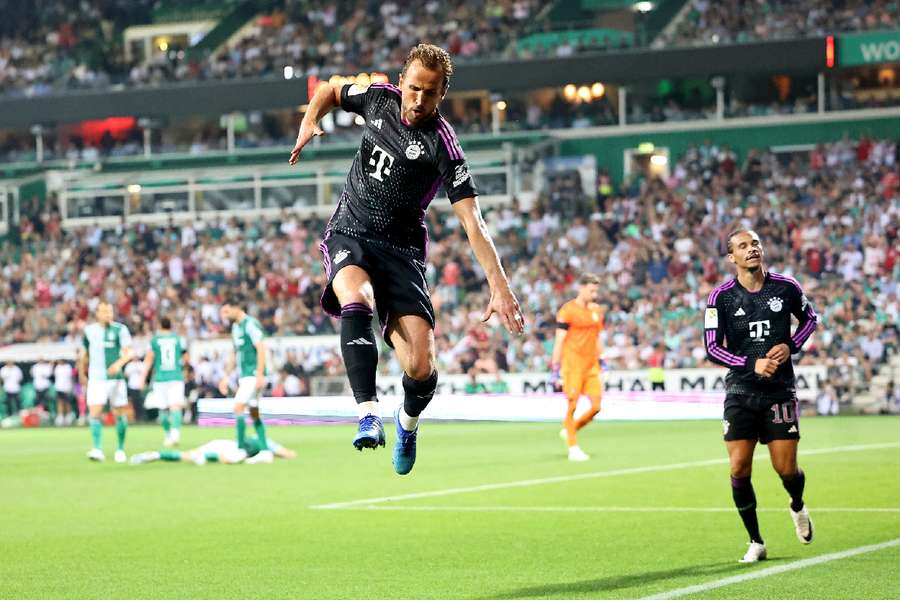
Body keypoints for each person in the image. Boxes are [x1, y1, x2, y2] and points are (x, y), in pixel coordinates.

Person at [289, 43, 524, 475]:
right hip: (352, 231)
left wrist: (500, 285)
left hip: (401, 252)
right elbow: (328, 90)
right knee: (354, 298)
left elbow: (474, 222)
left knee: (420, 366)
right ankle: (367, 414)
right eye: (414, 88)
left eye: (430, 93)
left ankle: (407, 423)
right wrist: (309, 122)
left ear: (441, 96)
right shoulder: (378, 98)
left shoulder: (444, 146)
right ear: (401, 83)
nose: (418, 100)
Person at [704, 229, 818, 563]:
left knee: (786, 470)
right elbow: (712, 347)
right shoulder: (720, 298)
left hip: (779, 392)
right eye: (743, 246)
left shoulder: (786, 286)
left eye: (755, 243)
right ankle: (755, 540)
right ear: (731, 257)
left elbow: (811, 318)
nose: (751, 249)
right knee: (739, 468)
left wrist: (792, 344)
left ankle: (797, 504)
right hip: (740, 391)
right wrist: (751, 363)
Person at [551, 274, 604, 461]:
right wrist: (555, 368)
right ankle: (573, 448)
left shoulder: (597, 311)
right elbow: (560, 339)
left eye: (596, 290)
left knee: (596, 406)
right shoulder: (567, 311)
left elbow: (597, 338)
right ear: (580, 288)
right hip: (572, 365)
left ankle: (570, 429)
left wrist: (602, 359)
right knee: (572, 404)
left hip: (592, 366)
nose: (595, 294)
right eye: (592, 290)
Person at [218, 298, 273, 464]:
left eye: (226, 312)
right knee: (254, 410)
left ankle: (240, 449)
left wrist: (260, 374)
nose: (224, 316)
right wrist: (226, 377)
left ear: (236, 307)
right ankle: (264, 451)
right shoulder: (235, 327)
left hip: (253, 374)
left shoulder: (250, 324)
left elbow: (261, 347)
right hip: (245, 376)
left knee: (238, 406)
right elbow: (234, 354)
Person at [79, 302, 133, 462]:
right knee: (95, 413)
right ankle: (97, 449)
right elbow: (84, 353)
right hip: (96, 378)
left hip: (116, 379)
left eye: (110, 310)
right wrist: (82, 373)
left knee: (119, 413)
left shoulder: (120, 329)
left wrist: (118, 364)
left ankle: (121, 449)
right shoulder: (89, 331)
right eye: (104, 311)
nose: (108, 314)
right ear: (97, 313)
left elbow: (129, 353)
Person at [141, 316, 187, 447]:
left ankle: (168, 435)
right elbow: (186, 357)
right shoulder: (178, 339)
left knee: (163, 408)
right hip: (176, 377)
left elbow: (149, 359)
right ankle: (175, 433)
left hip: (160, 378)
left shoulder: (155, 340)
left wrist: (143, 378)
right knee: (175, 406)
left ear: (160, 325)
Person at [130, 436, 296, 466]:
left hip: (222, 442)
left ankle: (158, 454)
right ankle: (201, 458)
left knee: (187, 454)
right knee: (192, 456)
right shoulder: (265, 443)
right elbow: (287, 453)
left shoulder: (252, 437)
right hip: (230, 450)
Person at [54, 360, 77, 425]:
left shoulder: (68, 367)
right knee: (60, 402)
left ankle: (68, 416)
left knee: (67, 402)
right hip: (59, 387)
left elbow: (70, 377)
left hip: (67, 387)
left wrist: (70, 387)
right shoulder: (57, 367)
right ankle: (60, 416)